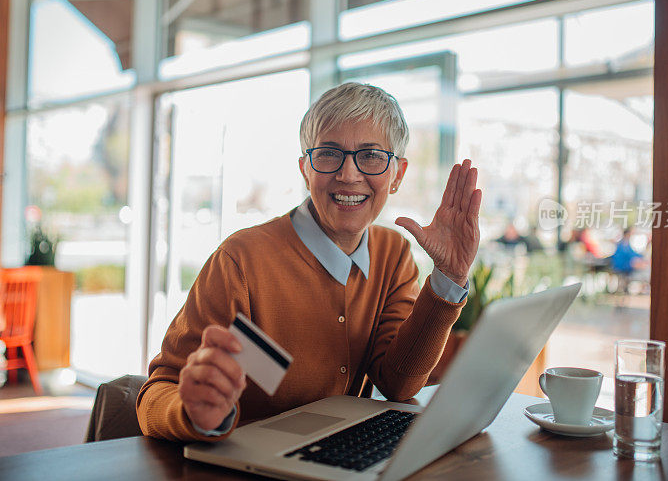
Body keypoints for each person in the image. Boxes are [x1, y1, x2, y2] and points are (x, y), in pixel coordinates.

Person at [137, 82, 482, 442]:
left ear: (397, 175)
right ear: (305, 168)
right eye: (329, 154)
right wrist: (192, 412)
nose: (349, 175)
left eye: (371, 156)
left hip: (341, 458)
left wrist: (450, 276)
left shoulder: (392, 254)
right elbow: (157, 392)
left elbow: (399, 383)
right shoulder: (239, 262)